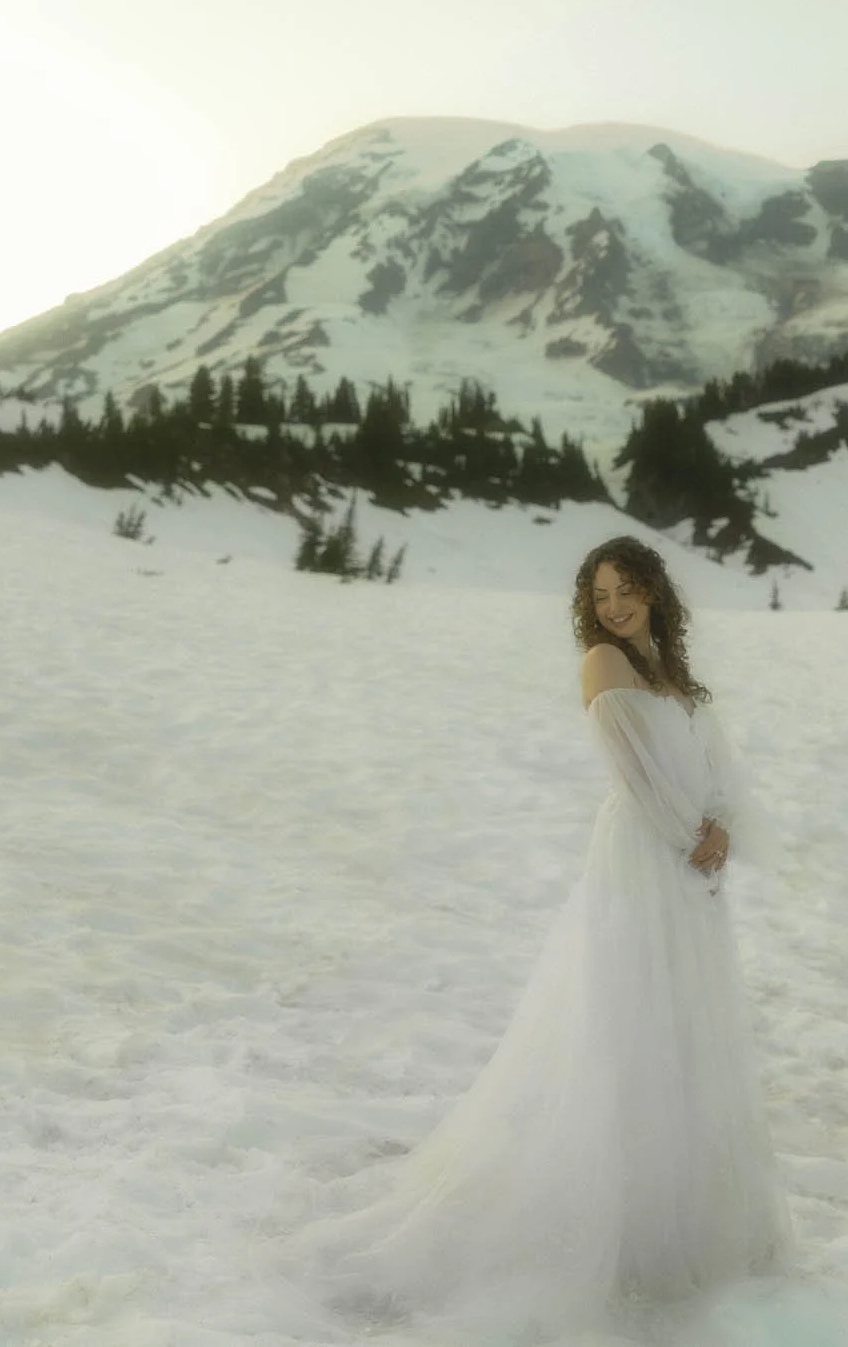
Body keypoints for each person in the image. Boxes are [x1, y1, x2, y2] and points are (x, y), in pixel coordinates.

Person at [255, 535, 795, 1340]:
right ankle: (608, 1218)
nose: (612, 607)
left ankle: (680, 1212)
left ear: (654, 591)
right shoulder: (603, 668)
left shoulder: (677, 677)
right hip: (645, 863)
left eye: (626, 590)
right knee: (628, 1027)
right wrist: (693, 837)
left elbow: (715, 763)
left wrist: (720, 825)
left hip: (691, 871)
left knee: (686, 1031)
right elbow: (638, 775)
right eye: (600, 594)